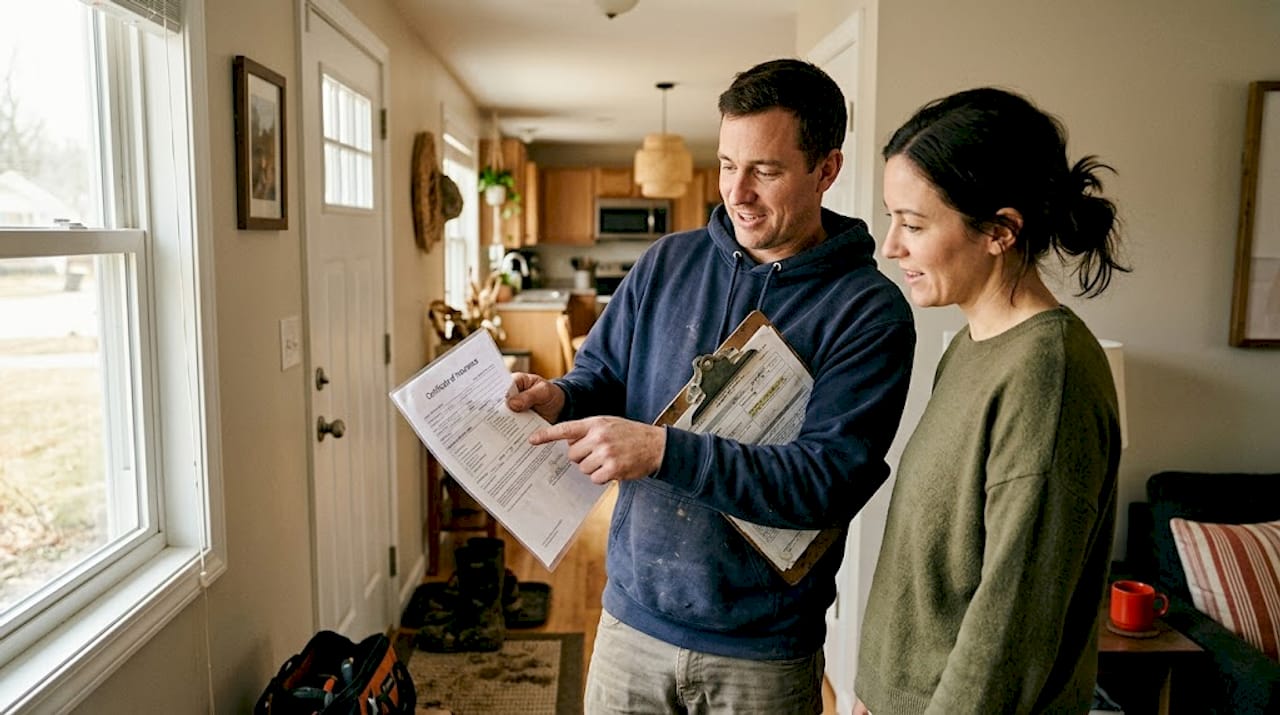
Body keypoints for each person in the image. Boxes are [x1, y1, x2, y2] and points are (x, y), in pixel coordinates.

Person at [505, 58, 916, 714]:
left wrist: (664, 449)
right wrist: (562, 395)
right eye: (728, 164)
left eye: (766, 170)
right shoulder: (666, 261)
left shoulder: (868, 311)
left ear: (827, 170)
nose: (738, 191)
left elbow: (825, 482)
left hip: (763, 651)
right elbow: (601, 375)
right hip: (631, 624)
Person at [854, 87, 1129, 715]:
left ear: (1000, 231)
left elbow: (1010, 626)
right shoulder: (971, 346)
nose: (891, 246)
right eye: (892, 217)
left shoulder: (1046, 376)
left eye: (914, 224)